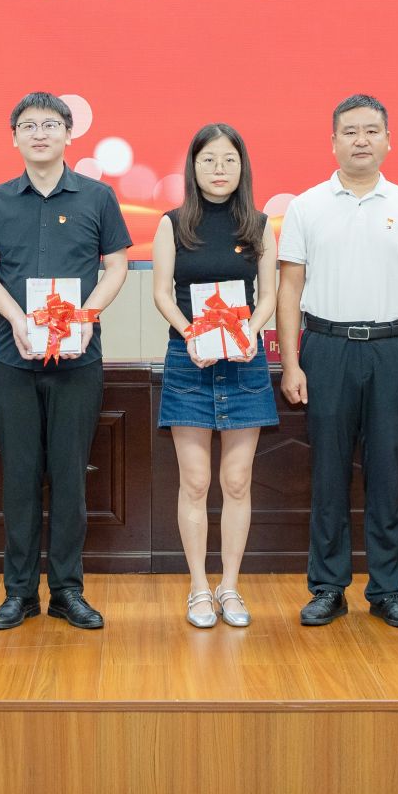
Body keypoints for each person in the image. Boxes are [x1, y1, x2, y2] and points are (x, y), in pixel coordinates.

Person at [278, 94, 398, 629]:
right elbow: (289, 289)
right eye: (350, 131)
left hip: (393, 349)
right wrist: (291, 363)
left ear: (388, 140)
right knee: (327, 474)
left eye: (372, 130)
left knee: (388, 474)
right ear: (333, 142)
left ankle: (388, 589)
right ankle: (328, 587)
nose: (361, 140)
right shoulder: (306, 206)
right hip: (326, 349)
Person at [0, 92, 130, 632]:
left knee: (69, 478)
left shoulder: (98, 197)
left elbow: (116, 266)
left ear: (68, 133)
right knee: (18, 479)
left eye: (50, 125)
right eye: (28, 126)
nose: (39, 134)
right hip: (14, 361)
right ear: (14, 136)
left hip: (78, 361)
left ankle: (66, 590)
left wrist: (87, 315)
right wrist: (16, 318)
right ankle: (19, 593)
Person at [149, 123, 279, 629]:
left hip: (244, 361)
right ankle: (199, 588)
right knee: (197, 480)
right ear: (193, 166)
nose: (219, 169)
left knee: (238, 481)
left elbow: (267, 296)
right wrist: (191, 334)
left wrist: (250, 332)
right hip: (189, 361)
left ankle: (230, 586)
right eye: (208, 160)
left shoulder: (260, 225)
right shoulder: (172, 224)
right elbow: (162, 293)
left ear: (242, 166)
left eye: (229, 160)